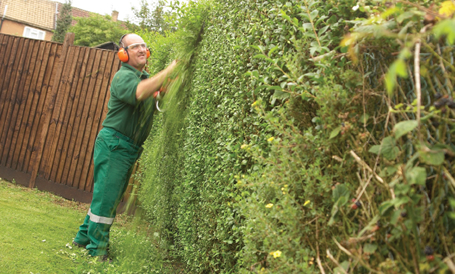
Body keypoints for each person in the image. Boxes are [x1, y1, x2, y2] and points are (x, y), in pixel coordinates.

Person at [72, 33, 177, 261]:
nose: (141, 50)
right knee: (107, 199)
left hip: (126, 147)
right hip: (115, 145)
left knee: (105, 196)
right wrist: (170, 69)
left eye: (144, 46)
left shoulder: (142, 78)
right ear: (123, 53)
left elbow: (153, 91)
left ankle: (82, 238)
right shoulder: (124, 77)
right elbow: (140, 92)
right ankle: (97, 250)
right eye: (135, 46)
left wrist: (167, 87)